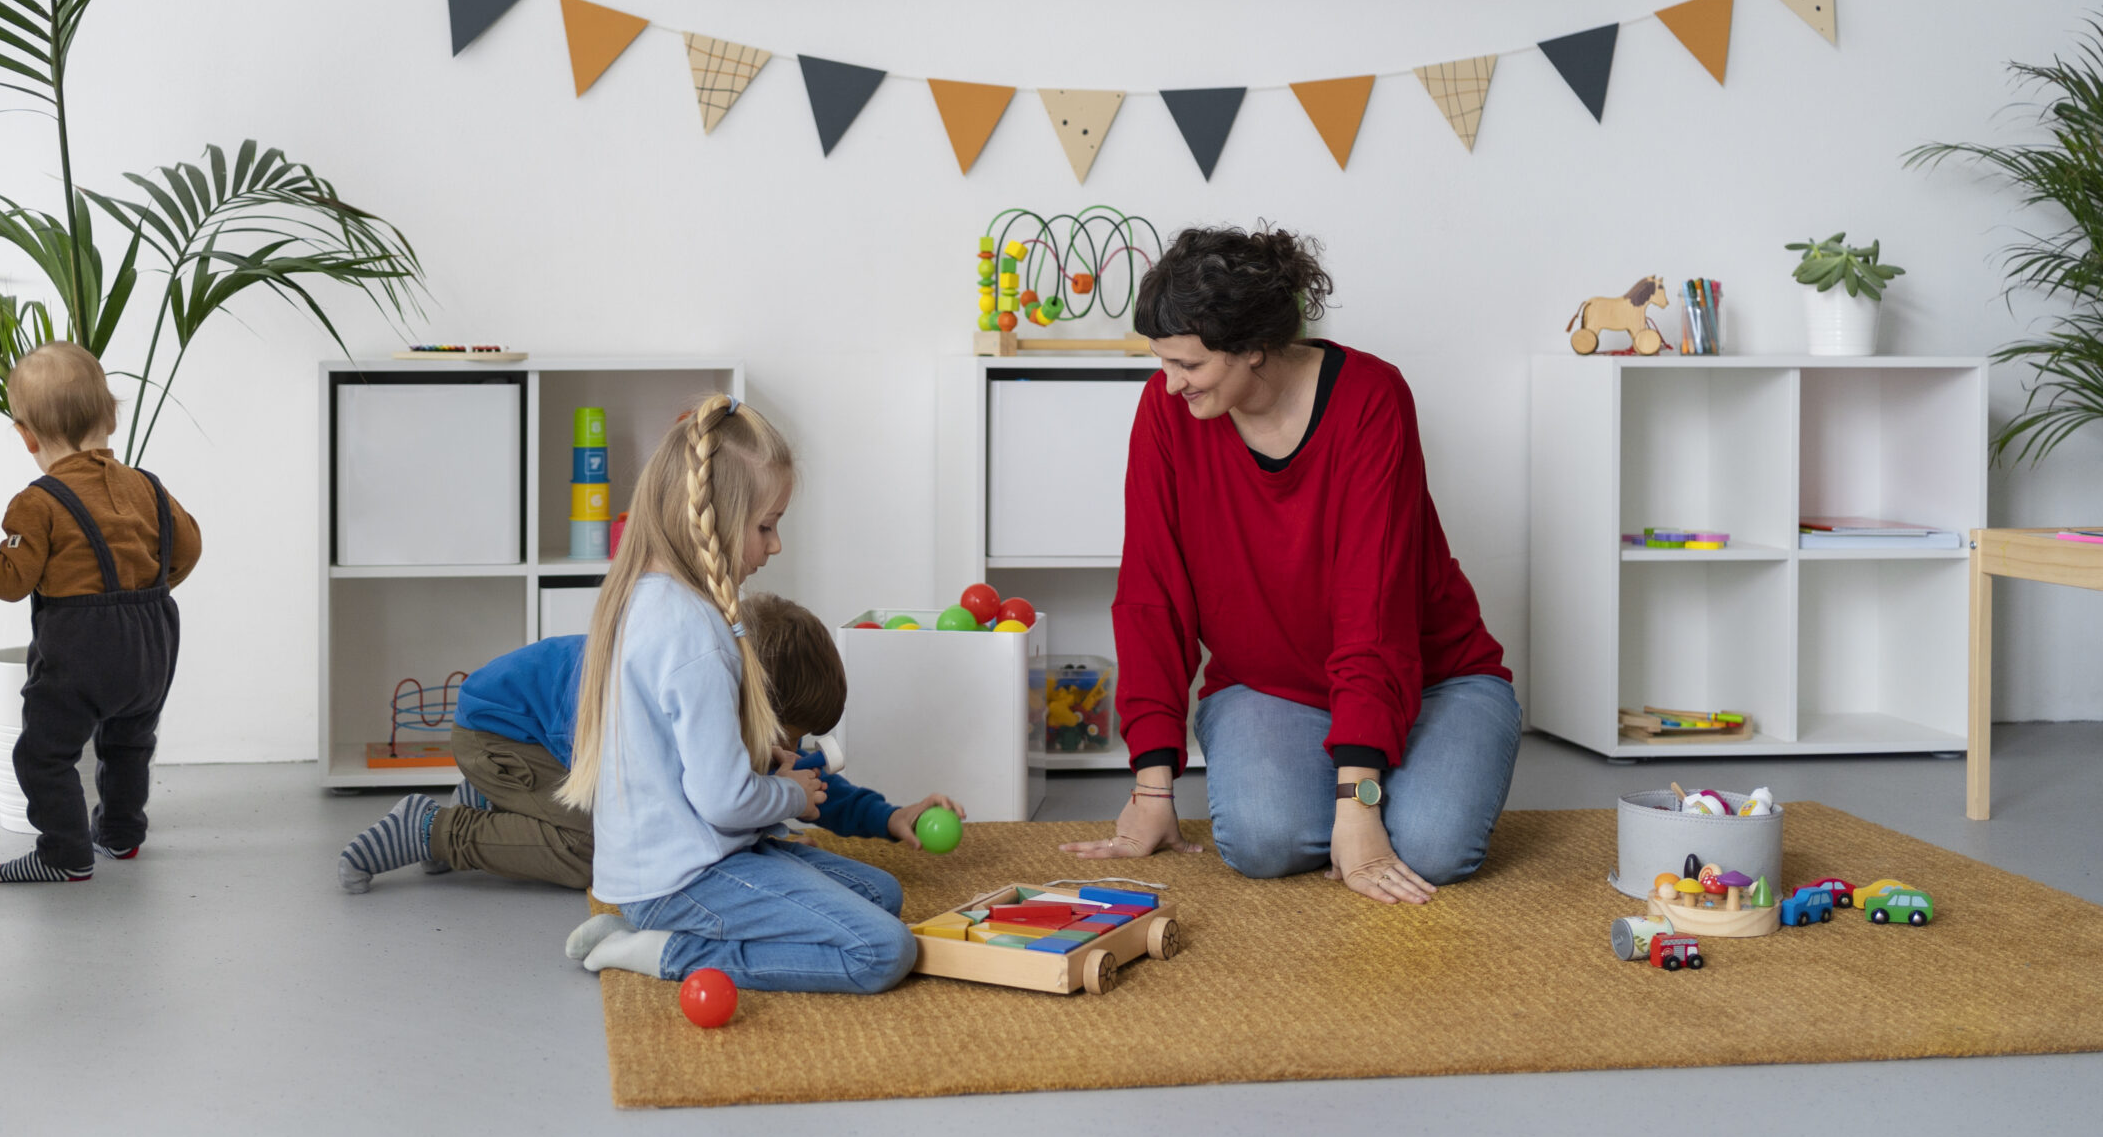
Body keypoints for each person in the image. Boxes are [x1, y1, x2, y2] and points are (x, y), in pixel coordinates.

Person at [1064, 225, 1518, 905]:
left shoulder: (1372, 398)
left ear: (1254, 349)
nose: (1169, 384)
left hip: (1435, 680)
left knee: (1433, 848)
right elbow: (1150, 596)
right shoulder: (1167, 416)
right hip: (1269, 685)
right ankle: (1357, 780)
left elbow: (1376, 607)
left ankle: (1370, 773)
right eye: (1161, 362)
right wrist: (1152, 784)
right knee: (1263, 841)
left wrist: (1359, 800)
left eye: (1188, 364)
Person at [558, 395, 918, 994]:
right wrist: (790, 795)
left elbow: (692, 768)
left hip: (672, 863)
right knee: (881, 949)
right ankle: (665, 950)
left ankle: (650, 928)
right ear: (716, 522)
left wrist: (760, 769)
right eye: (765, 527)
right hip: (684, 880)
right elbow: (725, 803)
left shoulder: (648, 597)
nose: (774, 546)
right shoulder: (696, 633)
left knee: (882, 893)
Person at [334, 593, 959, 891]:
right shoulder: (651, 703)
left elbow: (814, 781)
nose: (792, 753)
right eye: (783, 738)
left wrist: (887, 815)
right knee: (601, 848)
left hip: (532, 736)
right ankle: (435, 828)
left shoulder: (739, 701)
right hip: (505, 734)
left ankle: (501, 804)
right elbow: (631, 803)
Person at [0, 342, 201, 884]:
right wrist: (143, 590)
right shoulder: (149, 487)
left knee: (43, 754)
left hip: (81, 646)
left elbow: (11, 580)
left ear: (26, 434)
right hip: (153, 640)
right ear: (112, 416)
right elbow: (188, 549)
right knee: (129, 743)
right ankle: (121, 837)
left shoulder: (38, 502)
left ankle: (64, 853)